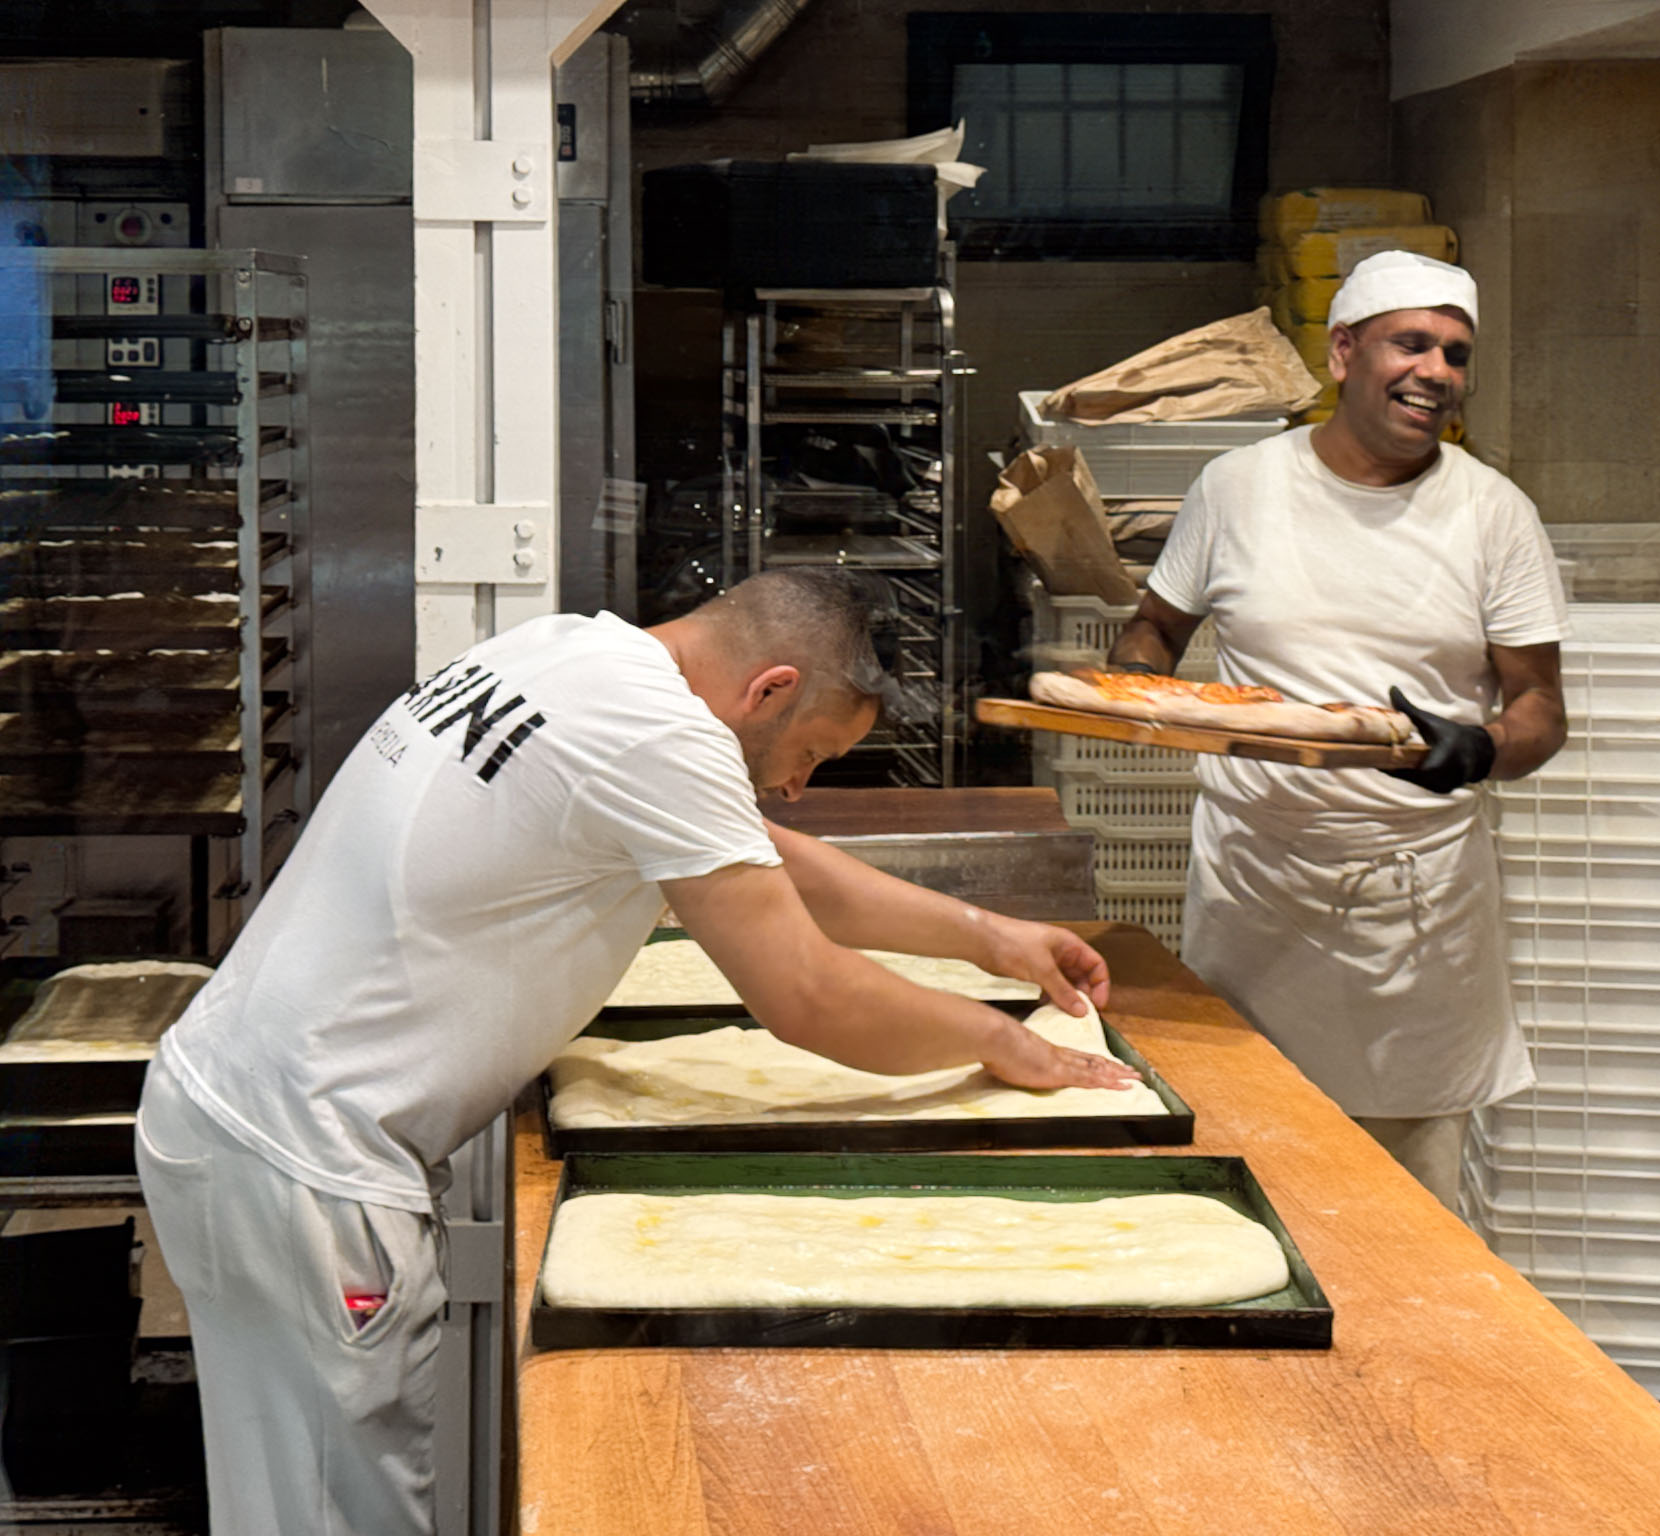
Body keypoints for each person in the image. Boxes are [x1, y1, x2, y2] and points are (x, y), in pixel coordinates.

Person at [135, 568, 1136, 1535]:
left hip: (232, 1108)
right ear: (769, 689)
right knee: (336, 1516)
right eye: (812, 753)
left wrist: (986, 937)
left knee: (285, 1501)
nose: (796, 788)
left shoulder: (569, 653)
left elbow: (765, 859)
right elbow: (809, 997)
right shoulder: (659, 733)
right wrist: (1004, 1042)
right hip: (308, 1165)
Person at [1107, 250, 1569, 1209]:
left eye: (1456, 353)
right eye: (1412, 344)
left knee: (1406, 1206)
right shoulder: (1238, 487)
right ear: (1344, 353)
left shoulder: (1493, 513)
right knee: (1248, 1174)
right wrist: (1134, 686)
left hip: (1416, 906)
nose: (1436, 371)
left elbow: (1540, 706)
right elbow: (1156, 626)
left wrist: (1481, 748)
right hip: (1255, 889)